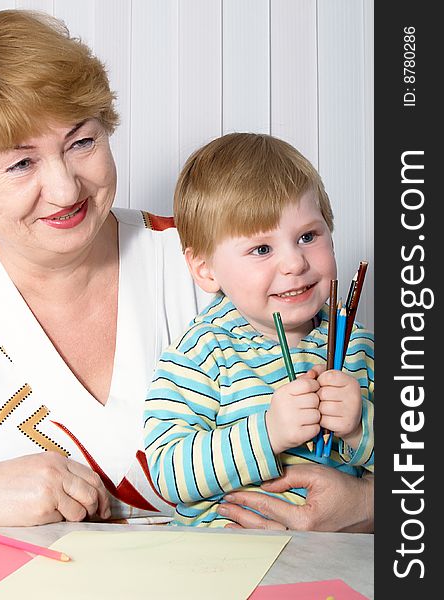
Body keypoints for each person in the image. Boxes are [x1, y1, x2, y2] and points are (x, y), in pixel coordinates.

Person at [0, 9, 373, 532]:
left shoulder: (222, 259)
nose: (65, 189)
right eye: (20, 163)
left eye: (82, 142)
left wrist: (366, 505)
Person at [144, 133, 374, 527]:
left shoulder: (357, 345)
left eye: (307, 236)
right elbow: (168, 473)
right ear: (205, 269)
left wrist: (360, 428)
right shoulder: (203, 352)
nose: (294, 263)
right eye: (261, 249)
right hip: (226, 568)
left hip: (336, 560)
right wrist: (268, 433)